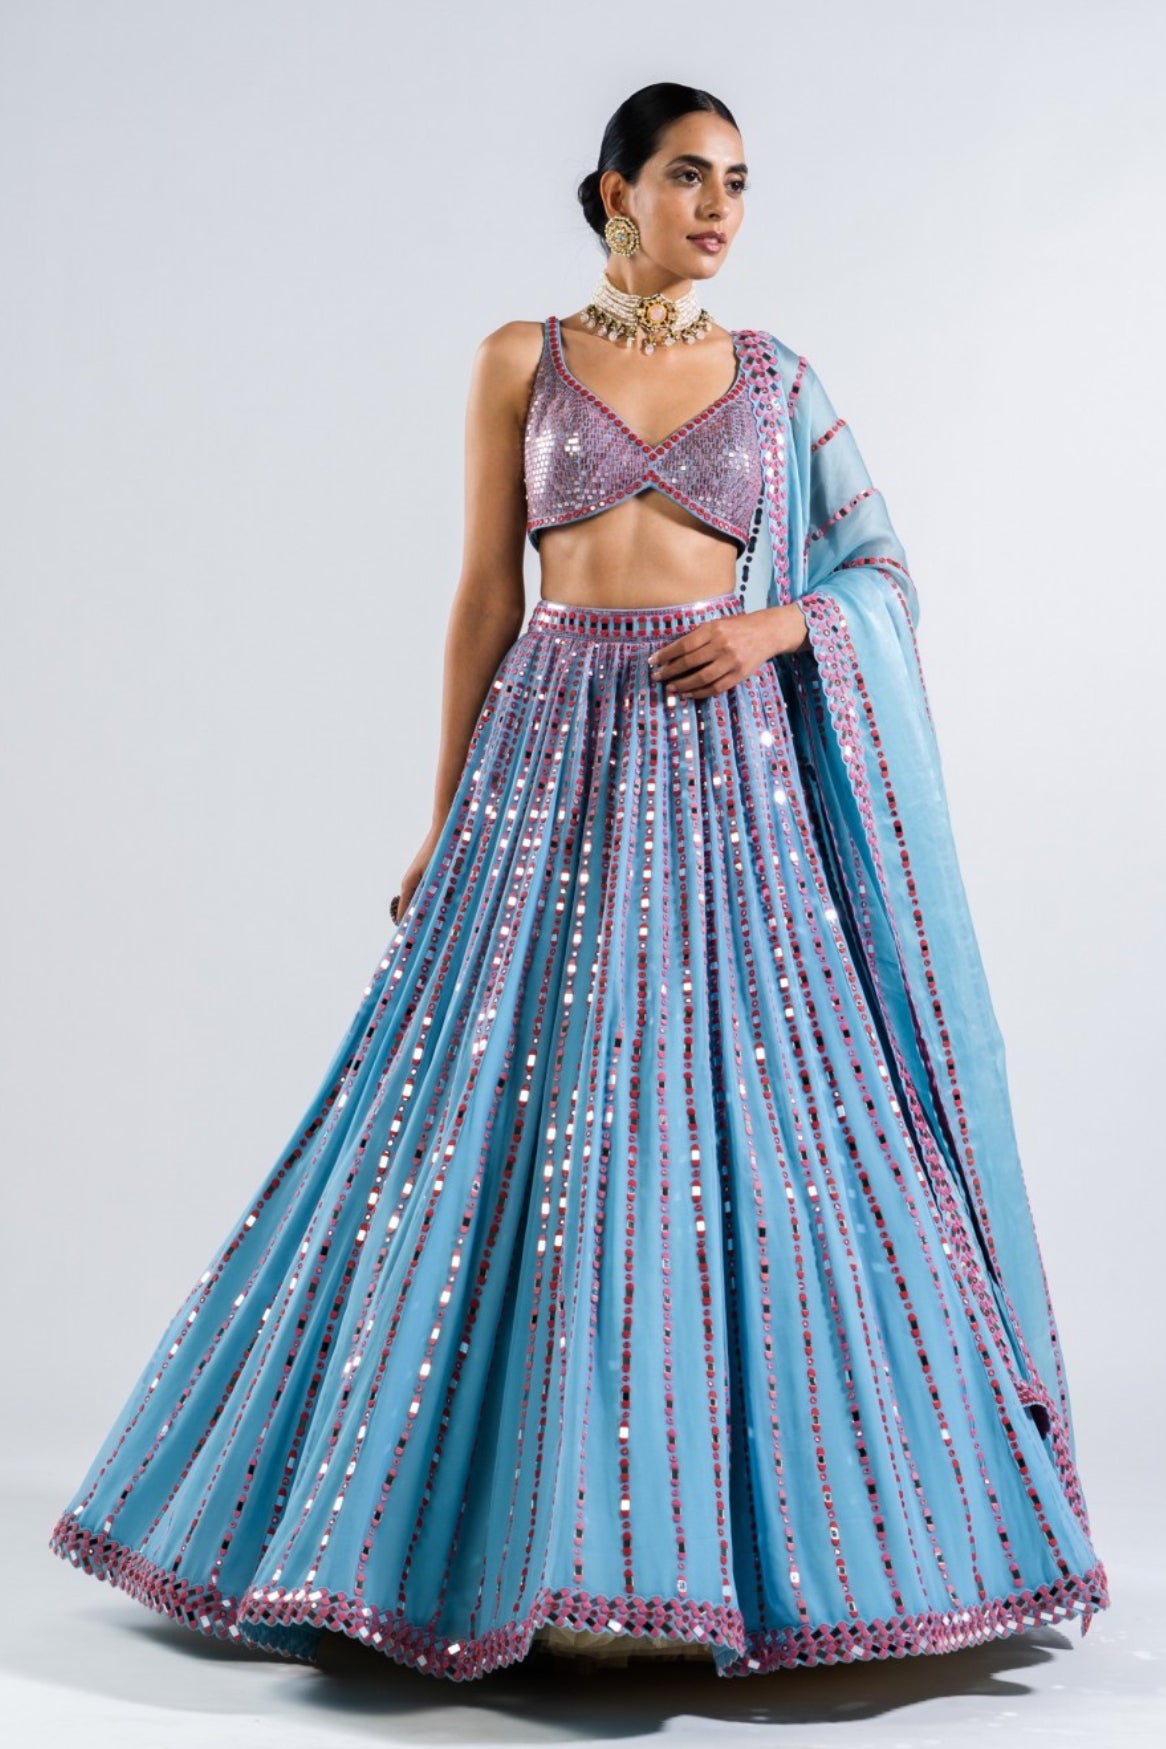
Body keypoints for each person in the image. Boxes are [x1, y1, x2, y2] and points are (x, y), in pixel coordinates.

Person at [49, 81, 1109, 1681]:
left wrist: (773, 626)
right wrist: (439, 815)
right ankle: (489, 1541)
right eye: (687, 176)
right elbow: (484, 593)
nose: (718, 207)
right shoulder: (518, 358)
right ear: (613, 190)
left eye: (736, 182)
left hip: (725, 775)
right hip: (545, 757)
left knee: (732, 1112)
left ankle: (724, 1548)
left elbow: (881, 572)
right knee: (495, 1110)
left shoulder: (777, 378)